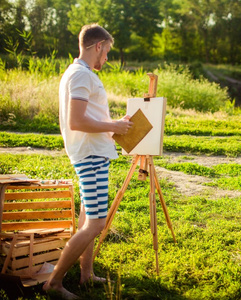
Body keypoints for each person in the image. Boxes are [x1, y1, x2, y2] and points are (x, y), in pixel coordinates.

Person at [43, 24, 133, 299]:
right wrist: (113, 125)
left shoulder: (78, 73)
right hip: (90, 154)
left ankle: (86, 274)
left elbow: (88, 117)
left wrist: (114, 127)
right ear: (98, 46)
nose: (106, 58)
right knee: (95, 224)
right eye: (107, 52)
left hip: (93, 152)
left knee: (87, 216)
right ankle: (54, 283)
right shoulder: (82, 75)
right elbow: (77, 121)